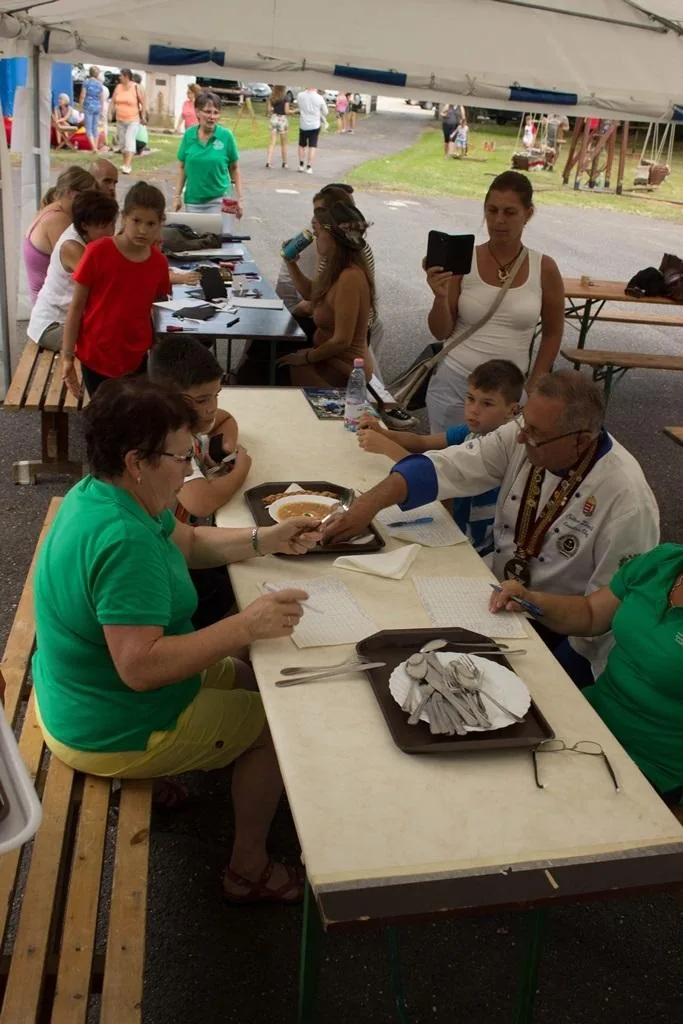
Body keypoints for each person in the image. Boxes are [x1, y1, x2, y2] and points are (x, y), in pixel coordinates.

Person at [32, 377, 321, 902]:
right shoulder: (124, 543)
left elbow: (188, 541)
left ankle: (187, 767)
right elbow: (139, 669)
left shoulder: (107, 490)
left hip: (78, 692)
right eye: (180, 457)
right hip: (106, 722)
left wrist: (266, 538)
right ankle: (247, 869)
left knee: (258, 681)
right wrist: (244, 625)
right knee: (278, 728)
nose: (190, 469)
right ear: (138, 459)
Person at [324, 371, 660, 684]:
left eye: (536, 436)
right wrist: (366, 506)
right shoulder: (524, 433)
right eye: (523, 425)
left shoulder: (627, 501)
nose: (522, 439)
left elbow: (606, 615)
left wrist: (558, 675)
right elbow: (450, 466)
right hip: (503, 597)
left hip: (565, 632)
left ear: (582, 440)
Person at [490, 544, 683, 804]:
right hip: (588, 719)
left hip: (651, 765)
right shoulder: (664, 562)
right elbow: (591, 614)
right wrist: (529, 599)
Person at [424, 170, 564, 432]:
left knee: (498, 468)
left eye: (510, 212)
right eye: (492, 211)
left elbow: (553, 333)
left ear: (528, 214)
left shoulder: (544, 268)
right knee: (444, 464)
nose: (499, 220)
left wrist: (535, 384)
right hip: (457, 385)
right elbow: (440, 330)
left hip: (508, 393)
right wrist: (440, 297)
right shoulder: (466, 262)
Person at [357, 359, 524, 559]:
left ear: (513, 410)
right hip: (452, 527)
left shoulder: (501, 450)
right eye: (470, 398)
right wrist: (384, 432)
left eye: (487, 403)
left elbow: (434, 478)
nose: (474, 409)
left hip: (474, 547)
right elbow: (422, 442)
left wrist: (387, 447)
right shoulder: (470, 432)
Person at [149, 337, 251, 628]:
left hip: (178, 541)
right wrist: (240, 469)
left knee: (239, 567)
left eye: (216, 394)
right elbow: (201, 501)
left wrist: (226, 444)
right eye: (203, 400)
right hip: (164, 562)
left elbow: (225, 418)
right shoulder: (170, 444)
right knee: (235, 586)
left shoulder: (179, 423)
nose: (212, 408)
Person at [62, 182, 170, 397]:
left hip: (135, 354)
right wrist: (67, 356)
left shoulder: (159, 263)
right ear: (124, 217)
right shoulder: (97, 252)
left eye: (151, 224)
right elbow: (76, 308)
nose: (142, 230)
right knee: (104, 417)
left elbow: (158, 306)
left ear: (160, 224)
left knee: (133, 416)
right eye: (136, 221)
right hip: (97, 353)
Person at [278, 201, 374, 386]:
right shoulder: (334, 267)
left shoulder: (350, 277)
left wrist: (307, 357)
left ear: (333, 235)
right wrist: (291, 262)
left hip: (344, 367)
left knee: (281, 367)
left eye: (317, 231)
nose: (314, 237)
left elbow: (342, 340)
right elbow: (312, 294)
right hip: (328, 358)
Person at [28, 191, 119, 352]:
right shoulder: (72, 247)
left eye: (113, 224)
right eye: (104, 226)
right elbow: (103, 286)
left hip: (70, 320)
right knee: (106, 345)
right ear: (85, 225)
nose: (111, 232)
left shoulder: (88, 237)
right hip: (51, 325)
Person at [23, 165, 96, 302]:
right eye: (89, 197)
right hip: (54, 311)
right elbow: (85, 269)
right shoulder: (59, 220)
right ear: (70, 193)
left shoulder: (49, 211)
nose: (90, 203)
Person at [173, 91, 242, 216]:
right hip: (193, 201)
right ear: (198, 112)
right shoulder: (189, 135)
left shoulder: (226, 136)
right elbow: (182, 168)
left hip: (221, 198)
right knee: (194, 235)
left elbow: (234, 168)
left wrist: (239, 199)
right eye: (208, 111)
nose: (212, 117)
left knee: (220, 235)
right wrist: (177, 196)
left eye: (216, 113)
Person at [110, 69, 146, 174]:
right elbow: (113, 101)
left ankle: (127, 165)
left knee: (129, 140)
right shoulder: (118, 87)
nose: (119, 78)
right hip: (120, 119)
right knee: (122, 143)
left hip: (133, 119)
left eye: (121, 76)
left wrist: (143, 115)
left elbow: (144, 102)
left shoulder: (136, 87)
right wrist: (109, 112)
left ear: (126, 77)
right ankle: (125, 162)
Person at [296, 86, 328, 173]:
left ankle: (301, 165)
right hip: (314, 124)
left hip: (303, 124)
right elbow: (326, 112)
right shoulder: (319, 98)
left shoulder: (300, 95)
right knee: (312, 146)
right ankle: (309, 166)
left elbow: (299, 106)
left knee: (301, 145)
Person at [82, 66, 106, 153]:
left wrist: (81, 105)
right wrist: (102, 108)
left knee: (88, 128)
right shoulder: (100, 84)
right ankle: (95, 146)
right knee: (95, 127)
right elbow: (102, 97)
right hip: (97, 106)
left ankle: (94, 148)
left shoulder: (86, 83)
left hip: (88, 106)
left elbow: (83, 95)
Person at [265, 85, 290, 169]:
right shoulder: (286, 97)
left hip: (274, 118)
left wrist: (273, 109)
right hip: (282, 120)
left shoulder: (271, 97)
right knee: (283, 143)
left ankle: (268, 162)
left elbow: (269, 110)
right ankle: (284, 162)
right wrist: (294, 111)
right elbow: (286, 111)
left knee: (272, 142)